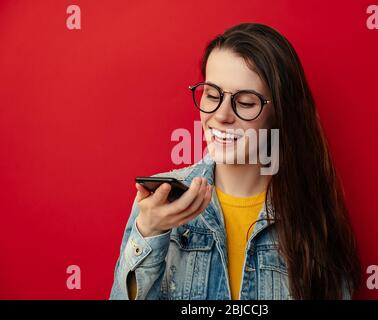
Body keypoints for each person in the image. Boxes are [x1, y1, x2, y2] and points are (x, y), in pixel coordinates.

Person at [110, 22, 361, 300]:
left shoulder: (311, 214)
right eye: (212, 95)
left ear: (279, 113)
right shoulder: (158, 203)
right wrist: (150, 232)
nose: (221, 115)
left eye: (245, 102)